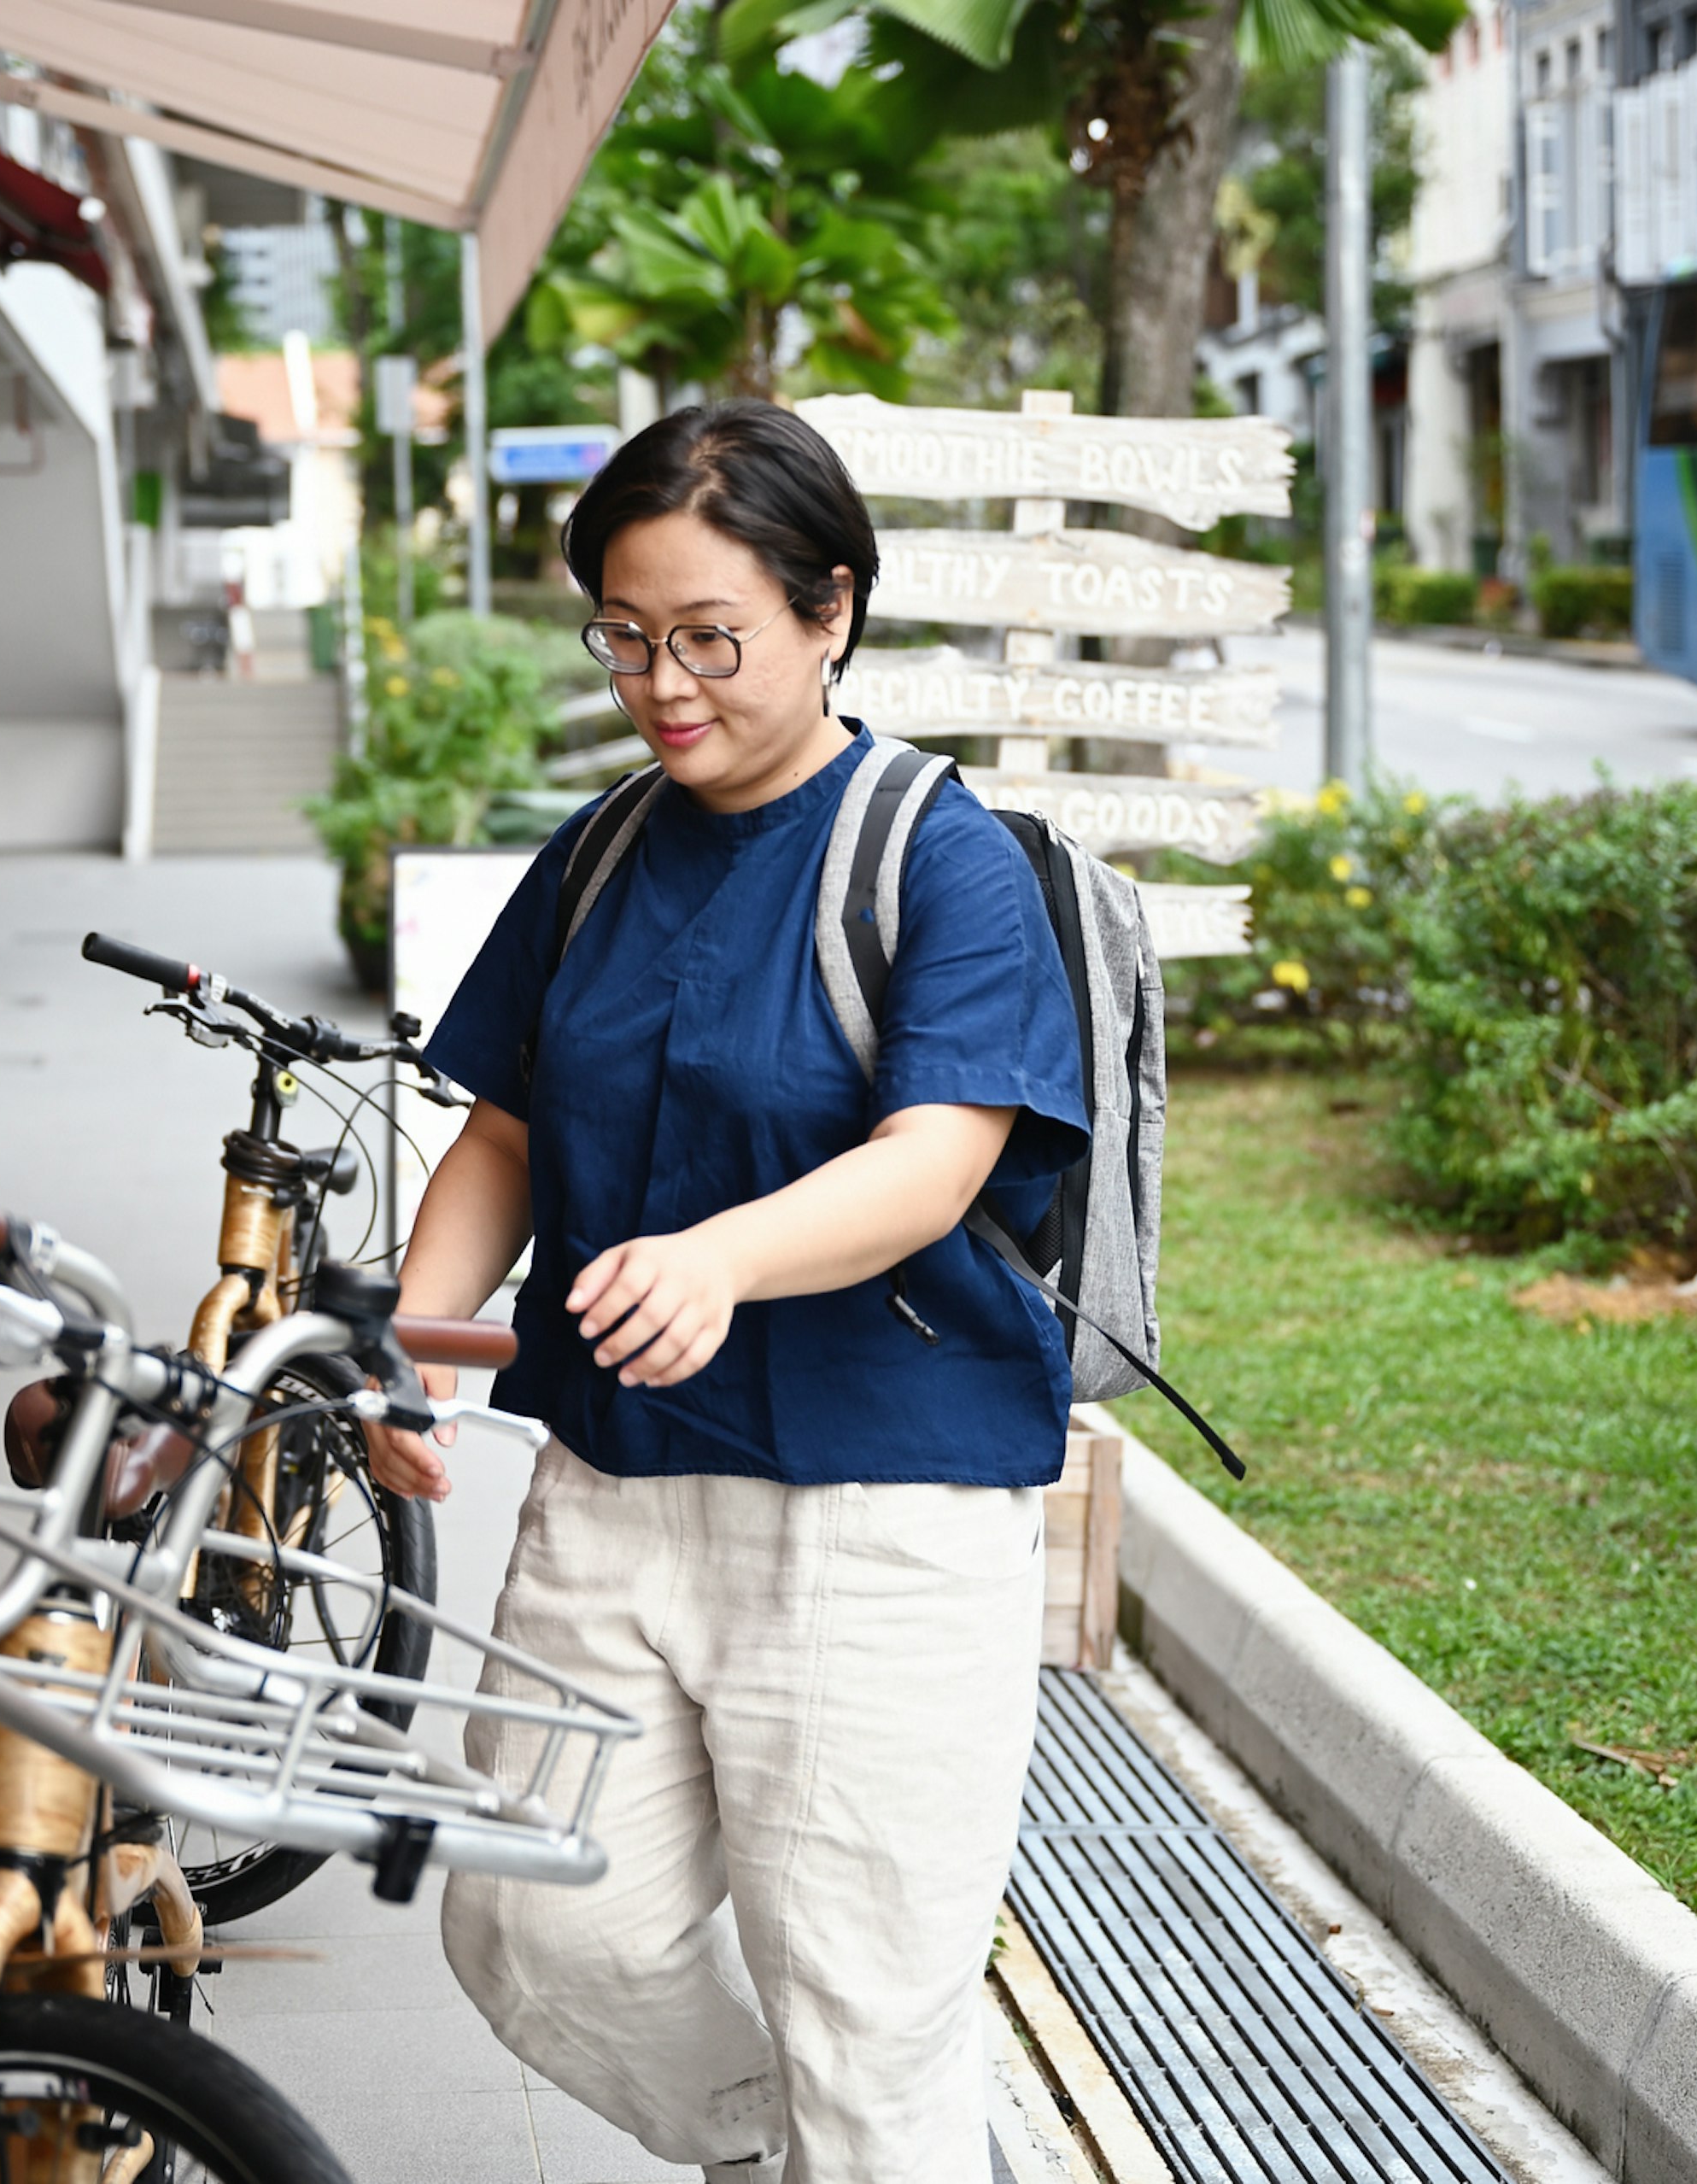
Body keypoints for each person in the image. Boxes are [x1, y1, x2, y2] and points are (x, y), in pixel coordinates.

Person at [369, 401, 1087, 2184]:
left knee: (868, 2014)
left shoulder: (937, 851)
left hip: (880, 1515)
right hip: (617, 1488)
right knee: (533, 1924)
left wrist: (725, 1256)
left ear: (830, 609)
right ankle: (788, 2156)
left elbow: (936, 1159)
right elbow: (506, 1133)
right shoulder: (605, 848)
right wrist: (410, 1347)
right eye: (626, 637)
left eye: (710, 639)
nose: (662, 684)